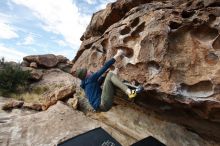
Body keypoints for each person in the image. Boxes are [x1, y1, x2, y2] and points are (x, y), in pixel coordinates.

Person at [73, 49, 138, 112]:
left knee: (111, 81)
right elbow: (105, 67)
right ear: (86, 75)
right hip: (102, 103)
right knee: (110, 75)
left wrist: (103, 76)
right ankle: (130, 92)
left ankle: (130, 88)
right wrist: (117, 55)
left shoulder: (86, 84)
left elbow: (97, 85)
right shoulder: (90, 78)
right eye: (87, 72)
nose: (89, 71)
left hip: (101, 107)